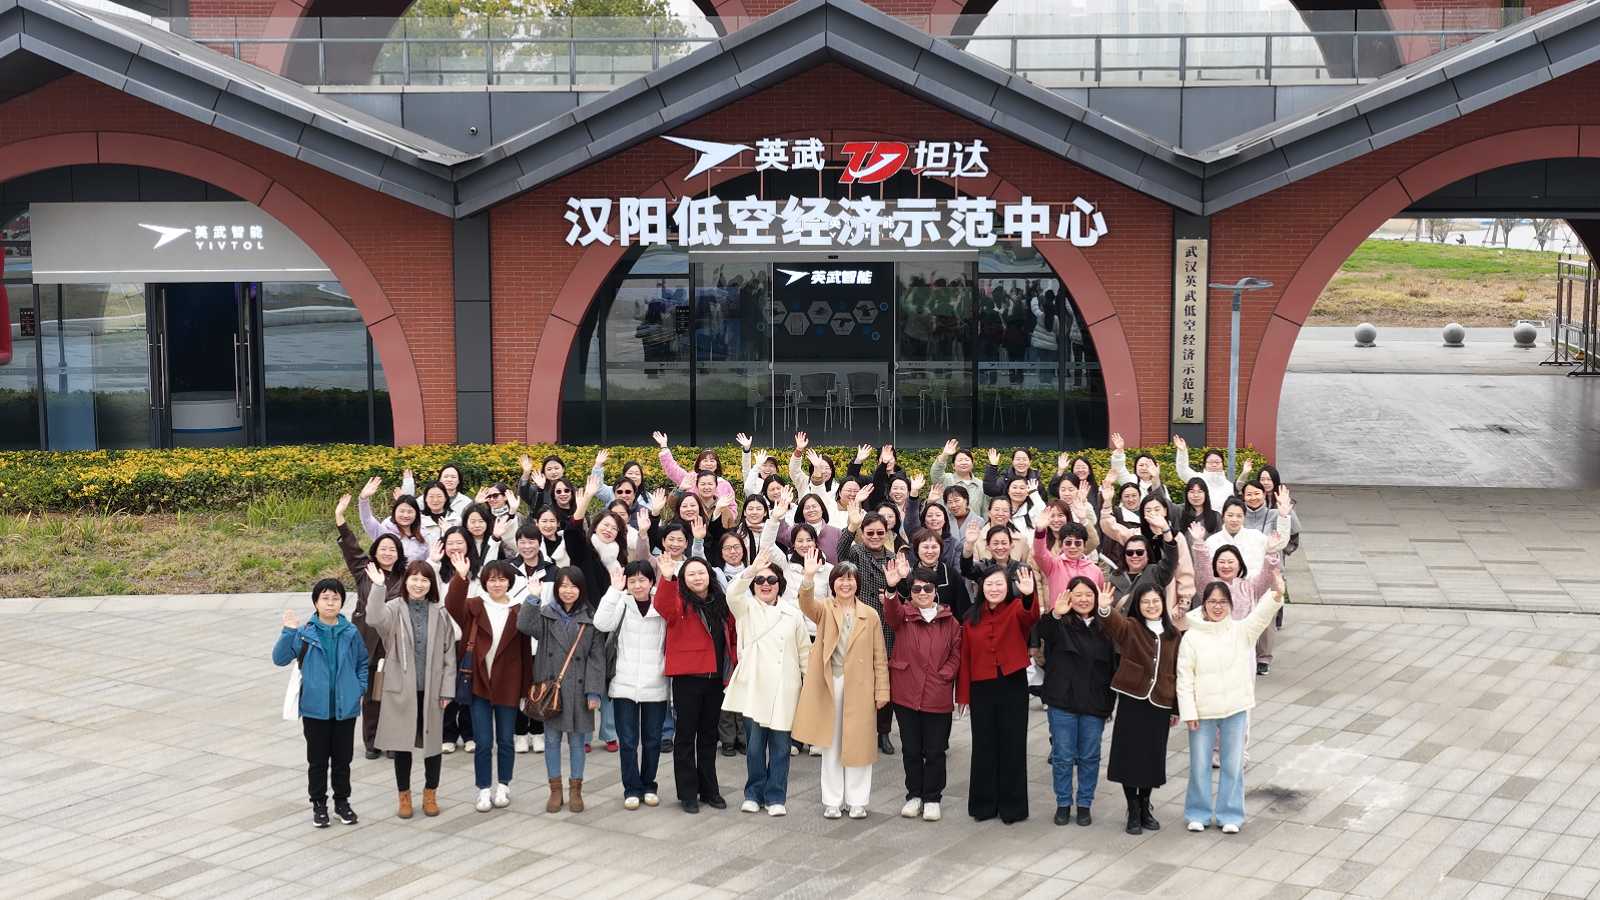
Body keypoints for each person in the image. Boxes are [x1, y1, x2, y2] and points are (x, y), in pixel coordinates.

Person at [1178, 577, 1285, 834]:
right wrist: (1188, 712)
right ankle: (1198, 813)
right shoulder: (1191, 637)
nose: (1217, 607)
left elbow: (1261, 615)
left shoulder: (1241, 631)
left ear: (1230, 605)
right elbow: (1184, 678)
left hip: (1235, 709)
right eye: (1212, 602)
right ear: (1204, 605)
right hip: (1202, 712)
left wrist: (1276, 593)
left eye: (1223, 602)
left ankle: (1231, 815)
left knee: (1233, 764)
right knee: (1199, 764)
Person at [792, 555, 891, 819]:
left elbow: (879, 656)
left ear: (857, 583)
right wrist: (808, 577)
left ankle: (857, 801)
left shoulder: (870, 614)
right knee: (831, 744)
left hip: (861, 686)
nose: (845, 584)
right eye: (840, 579)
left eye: (850, 579)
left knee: (860, 744)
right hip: (831, 683)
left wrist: (882, 690)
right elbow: (805, 604)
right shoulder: (825, 609)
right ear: (833, 583)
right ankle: (832, 800)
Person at [358, 560, 458, 820]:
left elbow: (449, 654)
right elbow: (373, 618)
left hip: (432, 690)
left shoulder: (439, 612)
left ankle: (430, 793)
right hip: (401, 689)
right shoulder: (394, 608)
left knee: (433, 746)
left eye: (424, 580)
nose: (419, 584)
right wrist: (378, 587)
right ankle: (404, 796)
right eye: (414, 578)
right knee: (402, 745)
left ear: (431, 584)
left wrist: (447, 689)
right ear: (406, 581)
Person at [722, 549, 811, 816]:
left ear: (779, 585)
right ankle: (753, 793)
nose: (765, 585)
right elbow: (732, 593)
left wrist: (809, 686)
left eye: (771, 580)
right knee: (754, 747)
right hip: (755, 686)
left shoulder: (792, 614)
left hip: (785, 687)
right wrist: (751, 570)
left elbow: (804, 652)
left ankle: (776, 797)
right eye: (760, 581)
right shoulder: (746, 608)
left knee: (781, 747)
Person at [274, 578, 368, 828]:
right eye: (325, 598)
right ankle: (319, 804)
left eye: (335, 598)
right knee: (317, 761)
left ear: (342, 602)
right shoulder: (304, 633)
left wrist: (359, 689)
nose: (330, 603)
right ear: (315, 602)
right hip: (315, 710)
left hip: (345, 709)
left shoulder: (350, 632)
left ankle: (342, 802)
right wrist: (288, 631)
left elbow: (362, 663)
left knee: (342, 760)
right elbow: (279, 659)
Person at [445, 557, 534, 814]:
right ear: (485, 582)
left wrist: (525, 690)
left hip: (508, 684)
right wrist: (461, 577)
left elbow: (525, 654)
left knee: (506, 740)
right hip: (479, 684)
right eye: (492, 579)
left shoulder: (518, 610)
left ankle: (503, 785)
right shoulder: (474, 606)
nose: (497, 584)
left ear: (509, 582)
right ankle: (484, 788)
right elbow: (452, 604)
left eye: (502, 579)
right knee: (483, 742)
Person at [517, 566, 607, 813]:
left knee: (578, 742)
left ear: (581, 589)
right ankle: (555, 790)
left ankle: (576, 790)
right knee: (551, 740)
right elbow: (524, 625)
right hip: (551, 690)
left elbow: (596, 657)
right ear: (556, 588)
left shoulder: (591, 618)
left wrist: (593, 691)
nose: (568, 591)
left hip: (579, 689)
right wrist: (533, 597)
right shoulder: (546, 614)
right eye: (563, 586)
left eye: (573, 586)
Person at [1098, 581, 1184, 836]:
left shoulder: (1173, 634)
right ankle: (1132, 808)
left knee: (1151, 757)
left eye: (1155, 601)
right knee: (1129, 755)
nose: (1151, 606)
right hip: (1133, 699)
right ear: (1138, 605)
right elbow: (1114, 624)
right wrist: (1105, 609)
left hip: (1160, 702)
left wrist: (1175, 708)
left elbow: (1176, 672)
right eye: (1145, 602)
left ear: (1163, 604)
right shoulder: (1132, 627)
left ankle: (1146, 805)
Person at [957, 563, 1040, 824]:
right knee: (983, 746)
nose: (994, 589)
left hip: (1012, 683)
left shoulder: (1016, 608)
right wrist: (963, 696)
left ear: (1008, 587)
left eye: (999, 584)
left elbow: (1030, 616)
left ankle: (1012, 807)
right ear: (982, 587)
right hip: (981, 686)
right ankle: (983, 805)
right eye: (989, 584)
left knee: (1013, 745)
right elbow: (965, 658)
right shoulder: (971, 617)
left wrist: (1029, 595)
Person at [881, 559, 962, 822]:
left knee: (936, 751)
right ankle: (914, 795)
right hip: (906, 693)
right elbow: (891, 613)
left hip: (937, 694)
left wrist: (945, 675)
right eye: (916, 589)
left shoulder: (950, 621)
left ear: (935, 591)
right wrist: (891, 589)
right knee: (911, 749)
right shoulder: (904, 615)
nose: (922, 593)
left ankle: (933, 797)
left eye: (928, 588)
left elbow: (956, 654)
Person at [655, 556, 737, 813]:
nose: (697, 578)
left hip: (715, 680)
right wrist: (667, 578)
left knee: (709, 737)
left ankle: (710, 789)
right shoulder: (680, 601)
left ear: (709, 575)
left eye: (701, 572)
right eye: (691, 574)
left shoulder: (721, 602)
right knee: (685, 737)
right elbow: (663, 606)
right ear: (683, 579)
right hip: (687, 679)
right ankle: (688, 793)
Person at [1034, 575, 1115, 827]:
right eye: (1078, 594)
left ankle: (1084, 804)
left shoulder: (1106, 626)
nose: (1083, 599)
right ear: (1069, 597)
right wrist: (1055, 614)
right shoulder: (1059, 623)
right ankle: (1063, 803)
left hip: (1095, 700)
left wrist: (1106, 612)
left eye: (1088, 595)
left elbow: (1118, 653)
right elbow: (1042, 632)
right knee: (1062, 756)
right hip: (1062, 700)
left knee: (1090, 755)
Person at [593, 560, 669, 810]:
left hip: (655, 682)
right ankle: (631, 788)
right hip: (624, 682)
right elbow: (601, 623)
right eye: (632, 580)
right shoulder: (622, 603)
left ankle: (649, 785)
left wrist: (669, 580)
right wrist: (614, 591)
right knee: (627, 741)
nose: (637, 585)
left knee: (652, 740)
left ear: (651, 581)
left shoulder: (661, 604)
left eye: (642, 580)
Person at [335, 493, 406, 760]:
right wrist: (340, 518)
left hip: (394, 644)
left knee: (393, 693)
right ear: (375, 552)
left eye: (392, 549)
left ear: (399, 554)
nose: (387, 553)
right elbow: (351, 548)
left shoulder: (406, 577)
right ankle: (372, 741)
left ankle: (393, 740)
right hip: (367, 643)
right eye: (383, 548)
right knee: (371, 695)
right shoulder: (364, 571)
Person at [834, 486, 900, 755]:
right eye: (869, 532)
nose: (874, 537)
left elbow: (905, 592)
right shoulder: (857, 553)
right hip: (858, 624)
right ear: (863, 533)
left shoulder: (893, 559)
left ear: (887, 533)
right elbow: (840, 552)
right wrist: (851, 525)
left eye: (879, 533)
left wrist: (894, 592)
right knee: (858, 679)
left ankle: (883, 732)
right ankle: (858, 728)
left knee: (884, 679)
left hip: (885, 625)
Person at [355, 476, 428, 562]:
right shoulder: (386, 532)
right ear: (394, 512)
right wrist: (363, 499)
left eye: (410, 512)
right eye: (402, 511)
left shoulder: (423, 535)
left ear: (416, 514)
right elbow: (367, 520)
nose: (405, 515)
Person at [1172, 435, 1235, 509]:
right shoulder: (1198, 479)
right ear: (1205, 464)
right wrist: (1182, 451)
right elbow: (1183, 470)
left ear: (1223, 464)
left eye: (1217, 462)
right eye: (1210, 462)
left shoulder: (1229, 486)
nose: (1214, 465)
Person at [929, 438, 985, 514]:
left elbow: (984, 510)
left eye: (967, 460)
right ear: (953, 466)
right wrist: (944, 455)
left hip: (974, 521)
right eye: (960, 460)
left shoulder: (980, 484)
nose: (963, 463)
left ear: (972, 464)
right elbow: (936, 472)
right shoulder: (946, 479)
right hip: (948, 521)